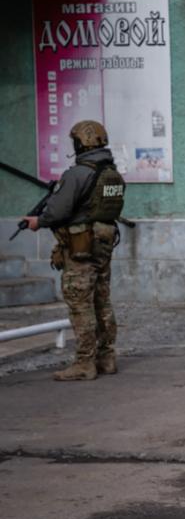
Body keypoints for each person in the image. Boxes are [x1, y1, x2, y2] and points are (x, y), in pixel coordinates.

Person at [26, 120, 125, 381]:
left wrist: (39, 221)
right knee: (102, 301)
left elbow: (58, 210)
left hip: (81, 246)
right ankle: (107, 358)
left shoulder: (78, 173)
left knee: (80, 303)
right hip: (104, 243)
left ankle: (84, 363)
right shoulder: (111, 172)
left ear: (81, 143)